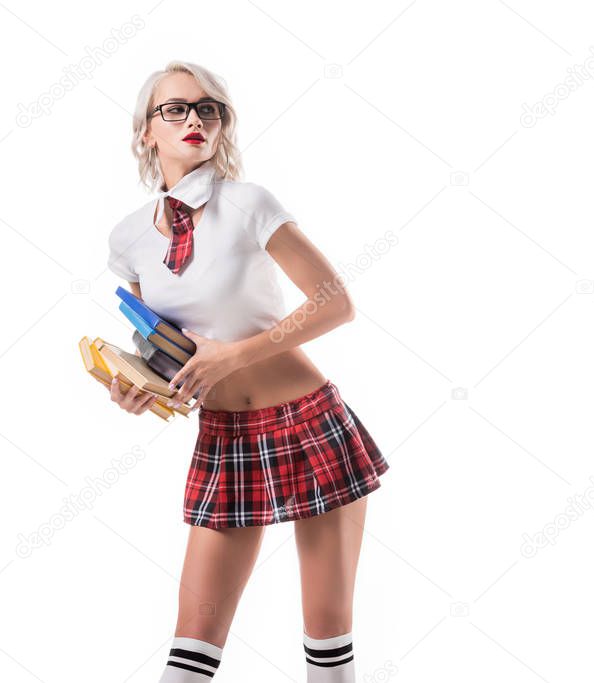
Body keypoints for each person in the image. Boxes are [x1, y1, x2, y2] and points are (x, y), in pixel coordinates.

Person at [105, 60, 390, 682]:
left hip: (307, 423)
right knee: (191, 651)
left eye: (209, 109)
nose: (193, 120)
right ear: (145, 132)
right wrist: (141, 390)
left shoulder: (248, 204)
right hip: (223, 437)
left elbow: (335, 303)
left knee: (327, 641)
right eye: (174, 109)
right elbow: (170, 353)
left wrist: (233, 355)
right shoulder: (128, 240)